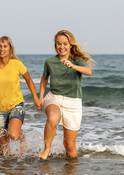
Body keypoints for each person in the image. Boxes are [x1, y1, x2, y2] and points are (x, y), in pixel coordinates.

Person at [38, 30, 94, 160]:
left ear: (70, 45)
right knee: (53, 117)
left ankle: (71, 174)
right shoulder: (50, 61)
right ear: (55, 45)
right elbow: (44, 78)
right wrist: (41, 96)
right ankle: (46, 149)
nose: (61, 47)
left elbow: (88, 71)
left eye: (64, 44)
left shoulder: (77, 60)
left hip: (73, 103)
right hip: (54, 97)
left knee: (69, 146)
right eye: (58, 44)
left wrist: (73, 66)